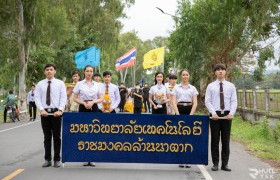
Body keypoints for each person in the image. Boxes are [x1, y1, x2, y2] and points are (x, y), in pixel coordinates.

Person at [205, 63, 237, 172]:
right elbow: (207, 101)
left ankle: (225, 164)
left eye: (222, 69)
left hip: (227, 115)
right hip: (214, 115)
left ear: (225, 71)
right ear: (215, 72)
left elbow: (234, 101)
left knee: (225, 140)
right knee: (214, 140)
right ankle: (215, 164)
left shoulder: (231, 86)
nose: (220, 71)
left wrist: (231, 113)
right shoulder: (210, 86)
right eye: (218, 69)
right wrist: (213, 113)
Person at [35, 63, 67, 168]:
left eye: (51, 69)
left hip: (56, 113)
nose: (49, 71)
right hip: (45, 113)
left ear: (55, 71)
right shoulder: (40, 84)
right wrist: (41, 109)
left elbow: (63, 97)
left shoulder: (60, 83)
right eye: (47, 69)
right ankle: (47, 159)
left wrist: (61, 110)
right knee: (47, 137)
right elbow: (37, 98)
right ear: (44, 72)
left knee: (57, 137)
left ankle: (57, 159)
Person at [73, 65, 103, 167]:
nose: (89, 73)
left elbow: (101, 98)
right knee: (84, 131)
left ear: (93, 72)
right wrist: (83, 103)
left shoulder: (97, 84)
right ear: (84, 72)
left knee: (93, 132)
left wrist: (93, 102)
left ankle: (93, 157)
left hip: (94, 107)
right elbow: (75, 98)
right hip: (82, 107)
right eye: (87, 71)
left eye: (91, 71)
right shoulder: (79, 84)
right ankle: (85, 157)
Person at [172, 69, 198, 168]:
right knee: (180, 135)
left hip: (189, 110)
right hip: (179, 109)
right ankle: (180, 159)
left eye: (187, 74)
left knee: (189, 136)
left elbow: (195, 103)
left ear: (189, 76)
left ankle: (188, 159)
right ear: (181, 76)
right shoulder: (176, 88)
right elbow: (173, 102)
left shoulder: (193, 88)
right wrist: (177, 114)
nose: (185, 76)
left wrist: (191, 114)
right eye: (183, 75)